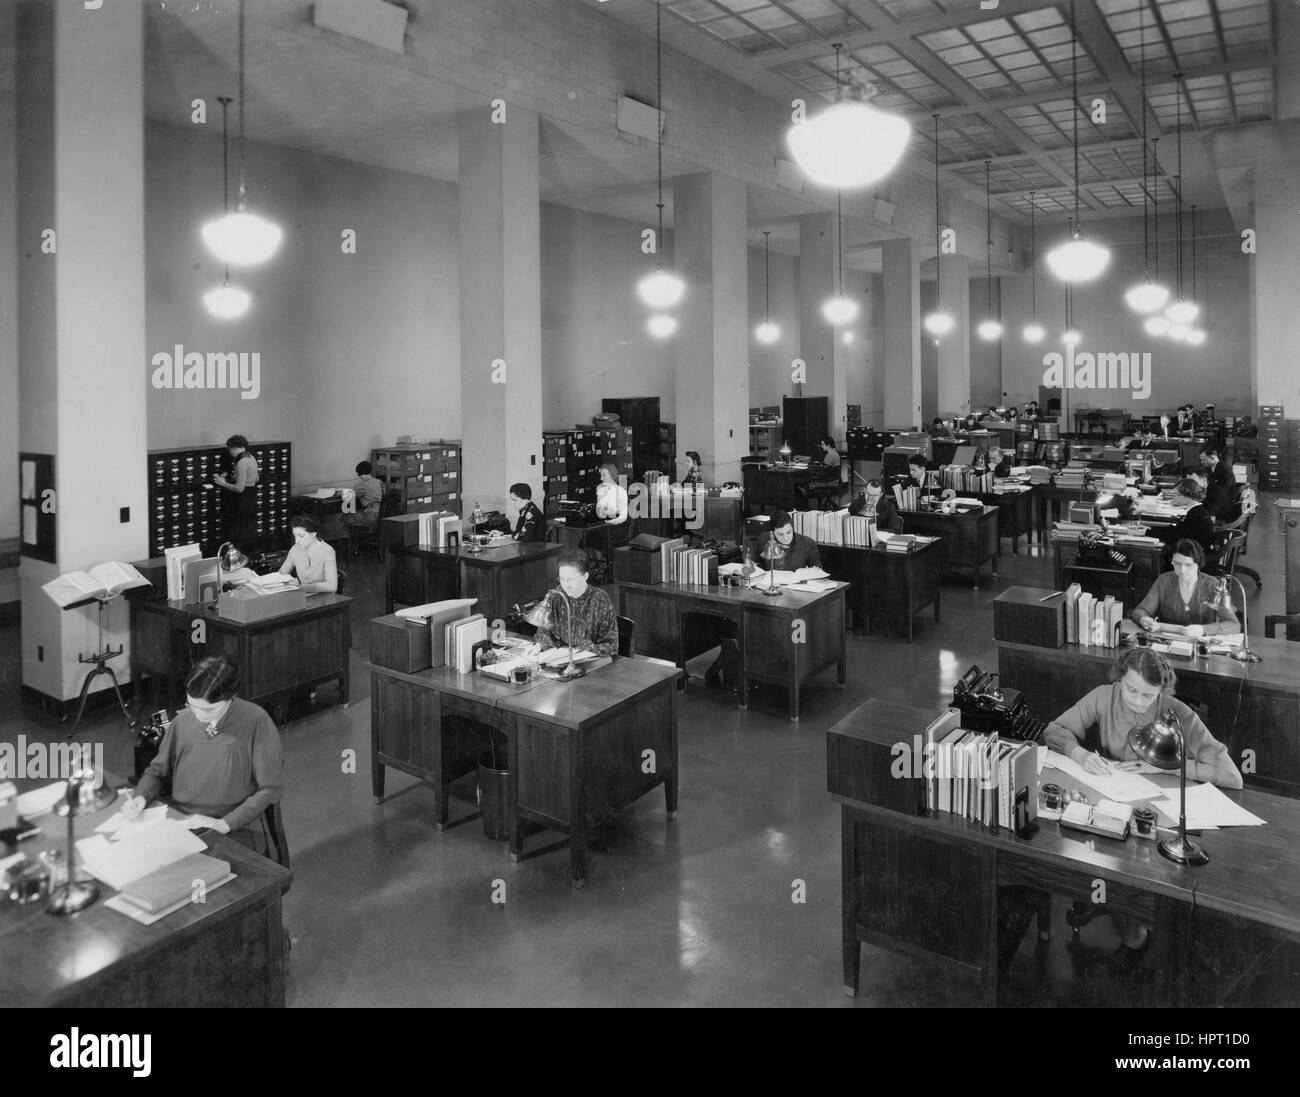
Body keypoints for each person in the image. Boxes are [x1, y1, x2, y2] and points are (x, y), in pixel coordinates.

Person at [1043, 646, 1242, 968]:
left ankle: (1135, 936)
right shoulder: (1104, 696)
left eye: (1147, 695)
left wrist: (1166, 768)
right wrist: (1078, 753)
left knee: (1139, 870)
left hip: (1157, 809)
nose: (1136, 700)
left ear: (1161, 691)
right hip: (1111, 796)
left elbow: (1231, 776)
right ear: (1120, 677)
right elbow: (1054, 730)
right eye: (1130, 689)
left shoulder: (1176, 714)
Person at [122, 656, 284, 856]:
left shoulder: (256, 721)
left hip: (233, 827)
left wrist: (225, 823)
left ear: (231, 697)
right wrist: (141, 795)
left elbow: (270, 789)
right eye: (192, 705)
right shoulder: (182, 721)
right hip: (182, 819)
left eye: (209, 709)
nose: (199, 715)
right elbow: (157, 772)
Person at [1131, 539, 1240, 637]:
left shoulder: (1213, 585)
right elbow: (1140, 611)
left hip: (1200, 644)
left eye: (1188, 565)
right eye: (1177, 564)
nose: (1182, 570)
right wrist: (1143, 619)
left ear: (1198, 563)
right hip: (1166, 642)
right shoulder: (1164, 581)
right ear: (1171, 561)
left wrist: (1204, 629)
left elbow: (1233, 625)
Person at [531, 548, 618, 657]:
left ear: (585, 576)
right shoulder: (557, 596)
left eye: (571, 579)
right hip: (559, 660)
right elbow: (543, 632)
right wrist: (546, 648)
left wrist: (585, 650)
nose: (566, 585)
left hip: (591, 663)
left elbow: (611, 645)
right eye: (562, 579)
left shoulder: (600, 599)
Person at [213, 434, 259, 548]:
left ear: (234, 447)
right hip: (252, 497)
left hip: (242, 500)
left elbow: (239, 488)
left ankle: (236, 558)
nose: (230, 453)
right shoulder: (251, 457)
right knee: (247, 530)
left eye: (230, 449)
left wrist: (223, 483)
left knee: (237, 531)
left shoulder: (241, 462)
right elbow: (256, 478)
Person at [278, 515, 339, 593]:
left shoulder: (327, 551)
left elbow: (332, 586)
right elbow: (281, 574)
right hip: (303, 596)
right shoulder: (295, 549)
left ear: (314, 533)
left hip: (323, 598)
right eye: (295, 536)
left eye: (301, 536)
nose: (296, 541)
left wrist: (302, 587)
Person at [1157, 477, 1216, 555]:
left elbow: (1177, 536)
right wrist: (1151, 530)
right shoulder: (1197, 510)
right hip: (1193, 549)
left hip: (1193, 555)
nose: (1175, 498)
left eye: (1178, 495)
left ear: (1188, 495)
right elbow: (1178, 531)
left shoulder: (1195, 514)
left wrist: (1150, 532)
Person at [754, 510, 821, 570]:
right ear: (772, 532)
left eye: (788, 532)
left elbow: (817, 569)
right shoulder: (763, 540)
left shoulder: (808, 544)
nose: (786, 538)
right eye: (780, 534)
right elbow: (757, 565)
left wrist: (816, 570)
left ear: (792, 528)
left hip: (797, 583)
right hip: (771, 582)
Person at [1198, 443, 1234, 520]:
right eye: (1201, 460)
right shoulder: (1209, 468)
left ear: (1213, 458)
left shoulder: (1224, 470)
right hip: (1213, 501)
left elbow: (1223, 492)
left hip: (1221, 507)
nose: (1202, 462)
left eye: (1204, 460)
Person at [345, 460, 384, 531]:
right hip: (381, 514)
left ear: (360, 474)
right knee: (356, 512)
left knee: (346, 516)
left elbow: (349, 496)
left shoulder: (361, 485)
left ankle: (349, 541)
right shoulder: (378, 482)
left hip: (371, 516)